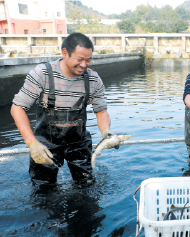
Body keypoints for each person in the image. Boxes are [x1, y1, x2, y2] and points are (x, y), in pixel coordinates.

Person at [10, 32, 118, 186]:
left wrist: (106, 131)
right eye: (79, 59)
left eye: (88, 60)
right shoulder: (42, 74)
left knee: (86, 185)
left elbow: (100, 110)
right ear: (65, 53)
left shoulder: (93, 79)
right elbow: (17, 107)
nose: (84, 65)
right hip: (45, 143)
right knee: (44, 189)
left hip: (78, 142)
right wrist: (31, 143)